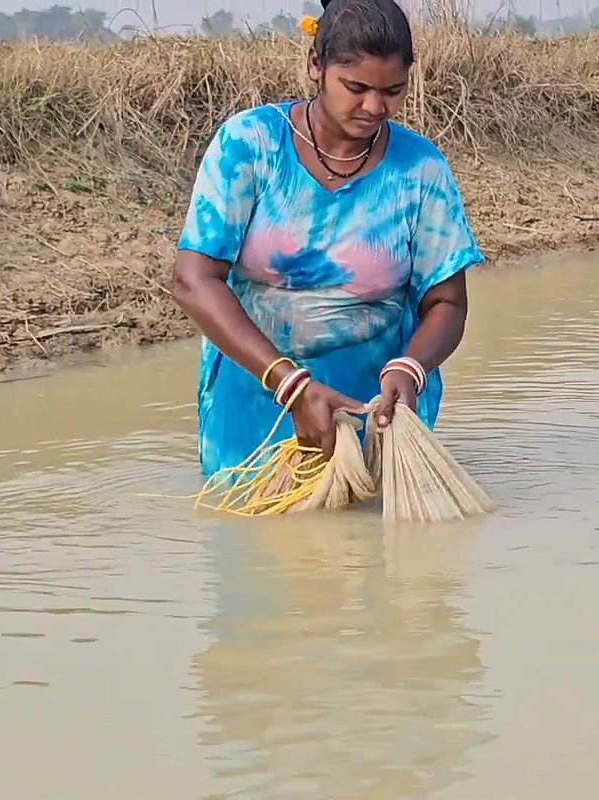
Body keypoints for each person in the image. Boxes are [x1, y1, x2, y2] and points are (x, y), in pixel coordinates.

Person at [169, 0, 485, 479]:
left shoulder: (419, 169)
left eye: (393, 91)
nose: (374, 107)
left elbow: (447, 303)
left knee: (373, 547)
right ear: (315, 66)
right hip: (257, 403)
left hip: (373, 413)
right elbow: (193, 280)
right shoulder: (250, 144)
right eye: (356, 87)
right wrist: (290, 384)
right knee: (256, 544)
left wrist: (411, 368)